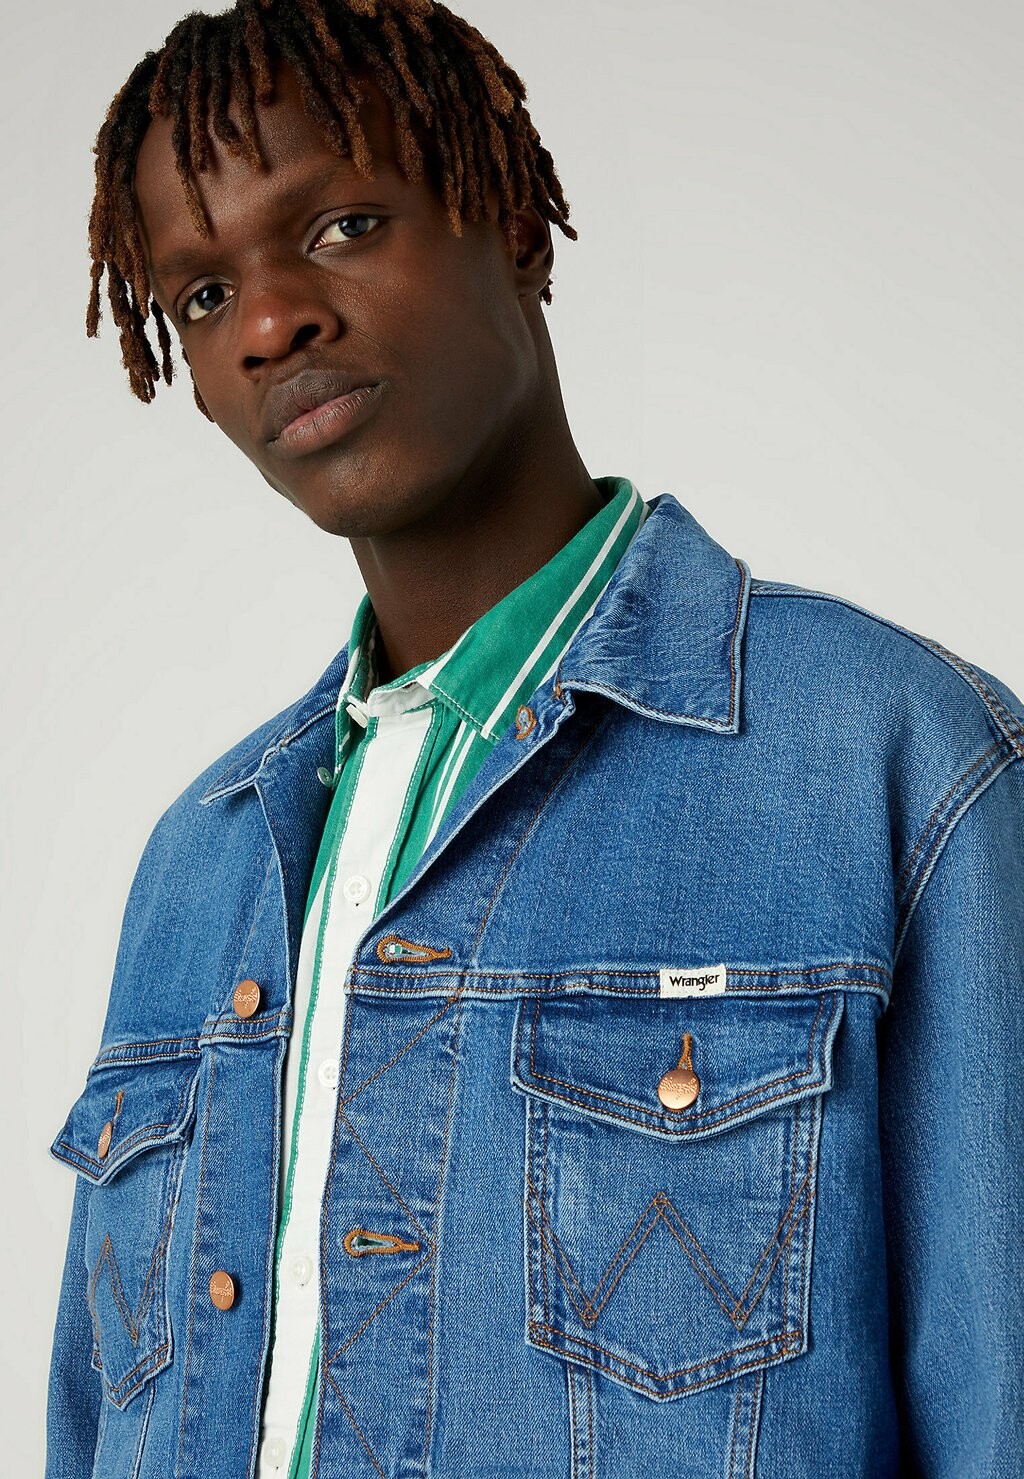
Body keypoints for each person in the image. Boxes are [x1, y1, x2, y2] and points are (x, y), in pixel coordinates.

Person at [46, 2, 1024, 1476]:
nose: (267, 325)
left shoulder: (894, 760)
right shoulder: (202, 860)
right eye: (200, 295)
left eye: (341, 226)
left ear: (509, 222)